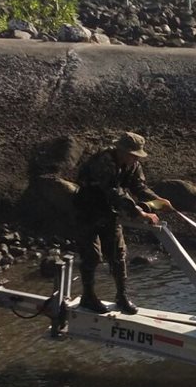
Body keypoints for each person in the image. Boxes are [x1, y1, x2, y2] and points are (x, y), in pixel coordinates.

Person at [73, 131, 172, 315]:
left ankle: (122, 296)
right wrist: (139, 213)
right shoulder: (103, 161)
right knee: (92, 255)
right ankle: (88, 296)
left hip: (110, 213)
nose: (136, 159)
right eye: (133, 155)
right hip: (87, 211)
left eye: (137, 156)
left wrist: (158, 200)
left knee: (118, 254)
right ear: (122, 151)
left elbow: (139, 187)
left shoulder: (133, 165)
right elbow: (113, 192)